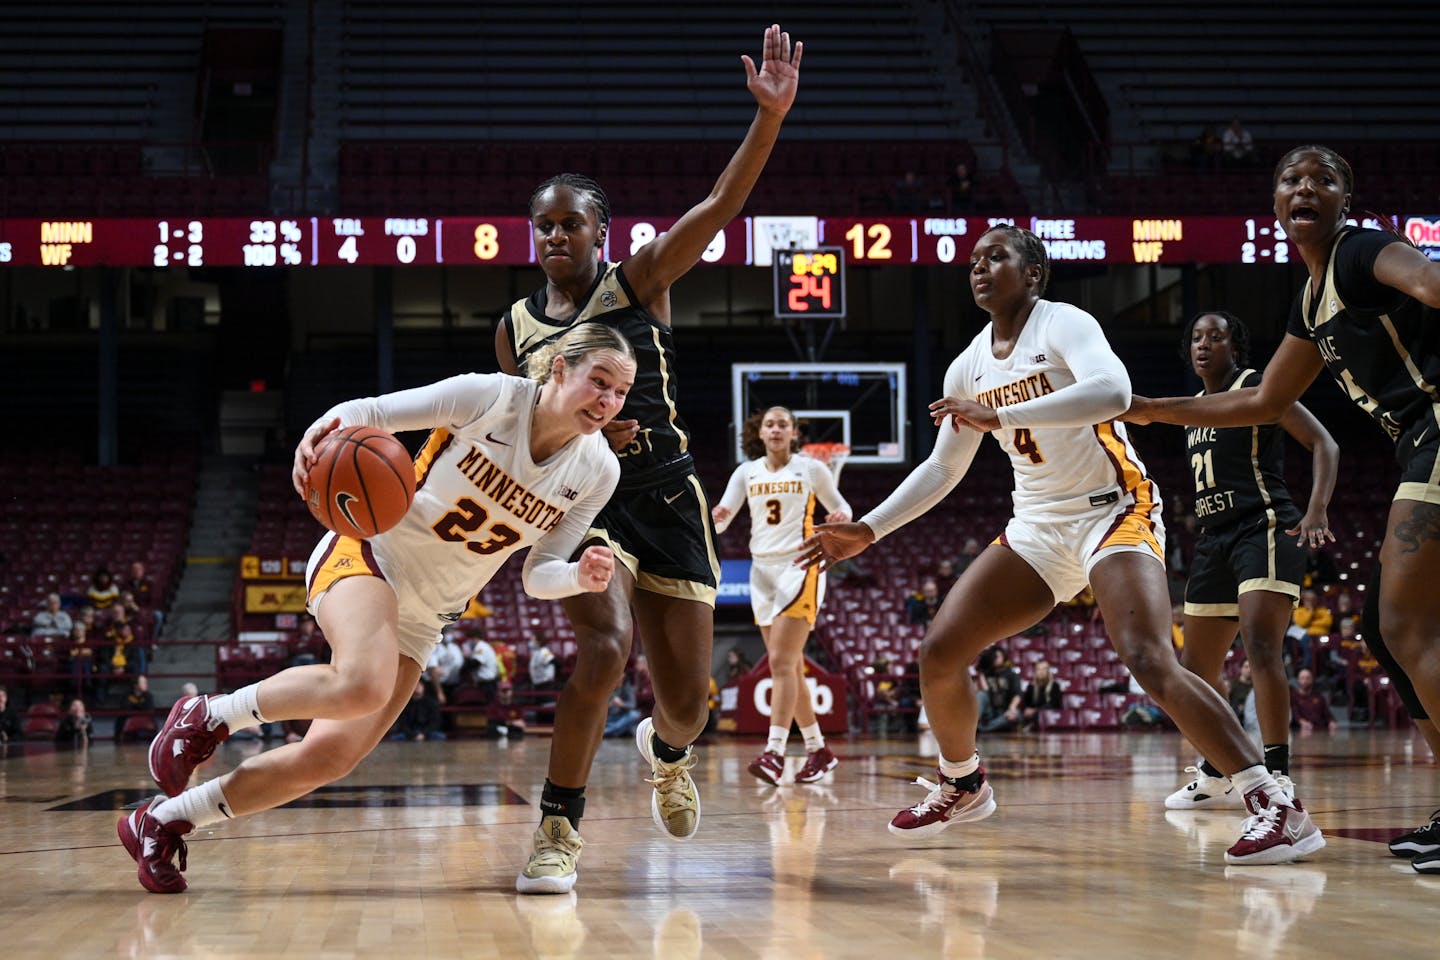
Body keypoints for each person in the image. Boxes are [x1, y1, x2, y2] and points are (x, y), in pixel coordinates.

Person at [801, 224, 1322, 866]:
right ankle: (961, 781)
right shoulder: (968, 363)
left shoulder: (1063, 324)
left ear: (1035, 273)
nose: (981, 267)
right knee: (939, 652)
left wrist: (1003, 415)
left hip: (1115, 509)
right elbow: (943, 469)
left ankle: (1275, 803)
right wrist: (870, 529)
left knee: (1148, 657)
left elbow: (1115, 393)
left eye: (998, 256)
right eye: (974, 260)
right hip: (1038, 525)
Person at [118, 322, 636, 894]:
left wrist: (577, 577)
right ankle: (209, 716)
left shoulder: (598, 471)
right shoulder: (490, 397)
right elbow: (367, 412)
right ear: (559, 368)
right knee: (362, 684)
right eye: (599, 381)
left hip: (426, 615)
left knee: (329, 757)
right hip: (369, 553)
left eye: (619, 392)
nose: (607, 401)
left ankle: (162, 822)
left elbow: (538, 576)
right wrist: (315, 439)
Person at [492, 24, 802, 895]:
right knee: (603, 649)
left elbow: (719, 206)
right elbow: (514, 426)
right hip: (581, 501)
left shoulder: (638, 282)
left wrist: (768, 119)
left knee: (690, 704)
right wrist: (579, 434)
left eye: (572, 223)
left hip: (667, 493)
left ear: (601, 231)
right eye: (543, 225)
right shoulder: (516, 327)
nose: (556, 235)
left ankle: (668, 753)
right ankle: (558, 829)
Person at [1124, 143, 1440, 875]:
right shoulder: (1310, 299)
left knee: (1403, 625)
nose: (1305, 186)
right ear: (1274, 205)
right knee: (1386, 637)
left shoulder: (1364, 251)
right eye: (1291, 179)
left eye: (1323, 177)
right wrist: (1152, 409)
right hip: (1418, 448)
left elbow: (1426, 279)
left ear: (1344, 200)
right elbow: (1267, 400)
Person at [1162, 309, 1338, 812]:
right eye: (1196, 337)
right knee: (1195, 669)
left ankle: (1277, 773)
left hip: (1262, 527)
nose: (1203, 345)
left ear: (1233, 347)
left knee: (1261, 646)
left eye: (1215, 337)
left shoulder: (1258, 386)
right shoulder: (1195, 405)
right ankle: (1219, 769)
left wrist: (1316, 507)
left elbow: (1325, 443)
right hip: (1214, 540)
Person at [712, 405, 851, 786]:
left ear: (793, 433)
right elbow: (724, 519)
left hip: (800, 566)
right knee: (788, 666)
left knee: (780, 661)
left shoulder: (812, 469)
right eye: (769, 424)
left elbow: (841, 506)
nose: (775, 429)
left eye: (783, 424)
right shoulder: (746, 472)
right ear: (760, 433)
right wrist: (716, 517)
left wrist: (840, 518)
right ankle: (818, 750)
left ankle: (774, 752)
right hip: (762, 572)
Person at [975, 646, 1023, 733]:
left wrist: (1012, 709)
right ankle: (976, 724)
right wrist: (980, 672)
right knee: (981, 695)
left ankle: (982, 728)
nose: (996, 659)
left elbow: (1017, 694)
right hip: (990, 711)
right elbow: (984, 691)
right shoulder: (987, 672)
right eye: (994, 656)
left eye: (999, 656)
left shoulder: (1011, 674)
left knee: (1016, 714)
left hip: (1005, 711)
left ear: (1004, 657)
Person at [1290, 668, 1337, 734]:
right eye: (1302, 678)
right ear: (1298, 680)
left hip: (1321, 730)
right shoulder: (1294, 697)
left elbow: (1327, 714)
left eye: (1307, 678)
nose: (1305, 681)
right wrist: (1303, 723)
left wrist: (1331, 722)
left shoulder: (1319, 697)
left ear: (1312, 680)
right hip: (1303, 730)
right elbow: (1295, 715)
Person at [1020, 659, 1062, 730]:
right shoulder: (1031, 687)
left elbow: (1054, 704)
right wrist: (1027, 710)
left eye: (1044, 669)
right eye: (1038, 669)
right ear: (1035, 672)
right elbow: (1026, 704)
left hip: (1050, 716)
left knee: (1045, 709)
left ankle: (1031, 726)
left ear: (1048, 672)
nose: (1041, 671)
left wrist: (1036, 710)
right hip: (1033, 716)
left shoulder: (1055, 686)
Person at [115, 673, 154, 742]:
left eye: (146, 682)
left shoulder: (148, 696)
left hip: (144, 718)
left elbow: (149, 709)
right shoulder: (127, 695)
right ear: (136, 685)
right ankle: (119, 739)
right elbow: (126, 709)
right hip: (128, 719)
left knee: (153, 721)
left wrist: (136, 707)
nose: (146, 684)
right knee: (121, 719)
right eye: (143, 682)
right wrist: (139, 707)